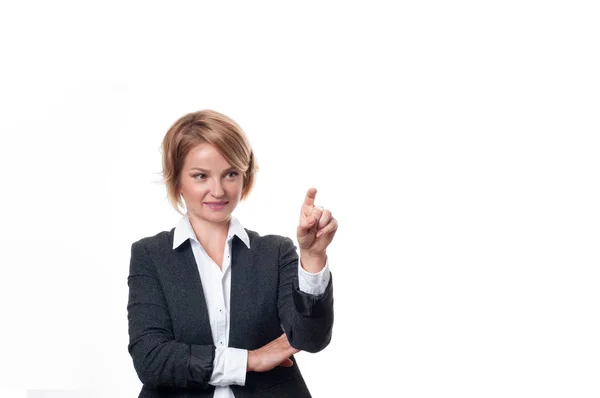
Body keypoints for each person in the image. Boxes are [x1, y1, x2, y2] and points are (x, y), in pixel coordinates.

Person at [127, 110, 337, 398]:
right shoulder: (150, 255)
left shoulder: (275, 252)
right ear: (177, 180)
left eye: (230, 174)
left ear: (244, 178)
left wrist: (312, 257)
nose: (218, 190)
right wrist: (250, 361)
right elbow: (150, 358)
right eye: (200, 176)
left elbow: (310, 339)